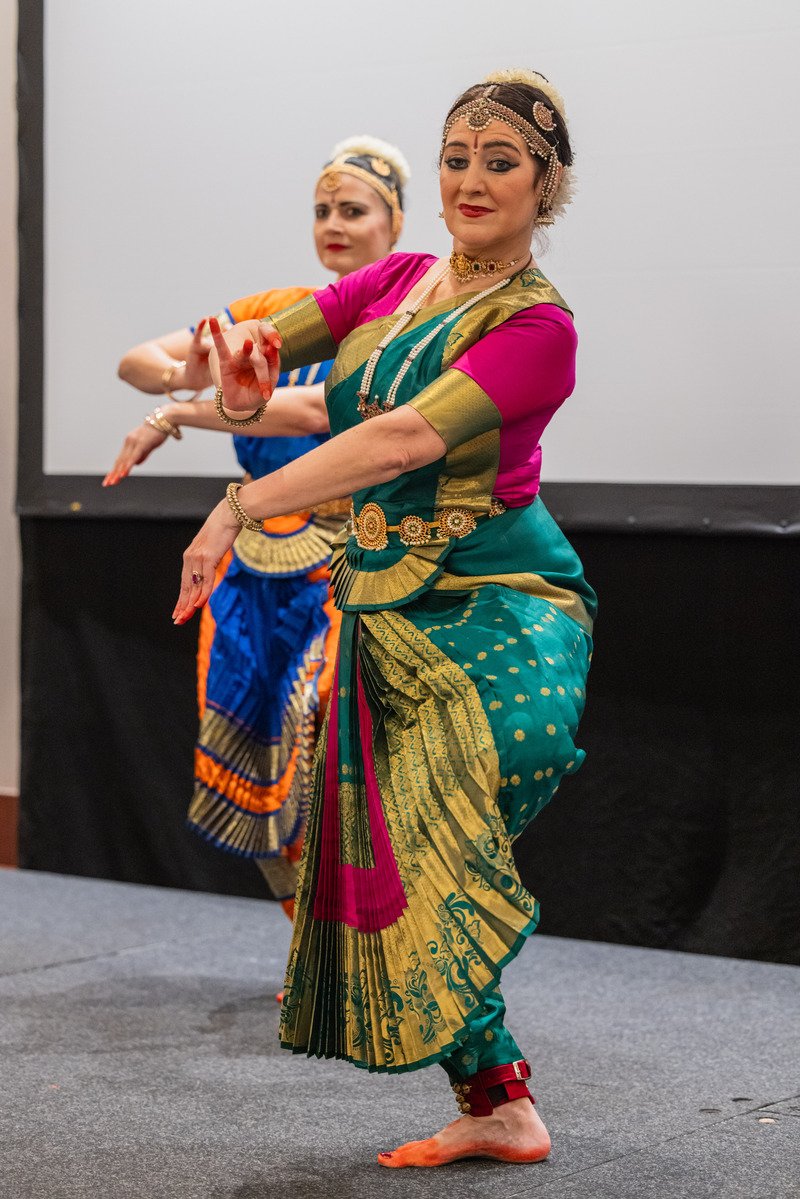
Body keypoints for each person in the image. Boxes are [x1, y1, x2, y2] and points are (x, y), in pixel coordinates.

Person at [174, 69, 596, 1168]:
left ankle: (495, 1094)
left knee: (439, 823)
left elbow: (405, 437)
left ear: (543, 185)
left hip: (501, 605)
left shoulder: (537, 326)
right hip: (381, 611)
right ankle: (498, 1099)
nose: (469, 179)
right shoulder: (400, 280)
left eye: (498, 162)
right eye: (456, 156)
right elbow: (290, 382)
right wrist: (229, 386)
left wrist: (239, 500)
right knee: (392, 854)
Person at [108, 138, 409, 910]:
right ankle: (307, 947)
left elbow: (315, 409)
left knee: (325, 741)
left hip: (352, 559)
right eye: (322, 210)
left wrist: (183, 410)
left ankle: (360, 944)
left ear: (395, 224)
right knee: (257, 749)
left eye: (353, 209)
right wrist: (187, 374)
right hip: (249, 566)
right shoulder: (276, 313)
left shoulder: (400, 326)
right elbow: (136, 359)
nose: (333, 223)